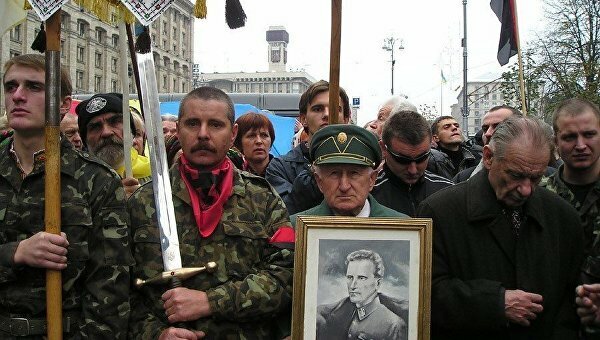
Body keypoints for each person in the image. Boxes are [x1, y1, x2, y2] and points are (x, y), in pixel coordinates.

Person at [128, 86, 294, 339]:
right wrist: (155, 334)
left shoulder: (263, 199)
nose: (203, 134)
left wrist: (211, 301)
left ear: (232, 133)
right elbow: (119, 290)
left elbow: (287, 278)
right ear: (179, 130)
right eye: (193, 124)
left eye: (215, 125)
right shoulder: (143, 202)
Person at [0, 54, 133, 338]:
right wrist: (15, 253)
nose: (18, 96)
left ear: (63, 103)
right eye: (11, 87)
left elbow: (109, 292)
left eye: (34, 87)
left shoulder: (97, 180)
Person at [418, 116, 584, 339]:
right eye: (516, 175)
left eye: (536, 178)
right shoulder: (439, 212)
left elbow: (571, 300)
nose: (526, 190)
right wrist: (493, 303)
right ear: (488, 157)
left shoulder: (563, 216)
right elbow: (425, 294)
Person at [290, 124, 406, 225]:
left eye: (354, 173)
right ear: (319, 181)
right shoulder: (295, 229)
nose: (344, 186)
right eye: (334, 174)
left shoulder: (403, 228)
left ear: (372, 179)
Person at [266, 80, 351, 214]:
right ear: (303, 119)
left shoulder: (361, 165)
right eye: (318, 109)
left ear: (346, 119)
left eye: (335, 109)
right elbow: (285, 214)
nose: (327, 114)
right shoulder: (281, 167)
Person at [372, 110, 453, 216]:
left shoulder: (448, 192)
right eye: (402, 160)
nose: (413, 170)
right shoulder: (367, 194)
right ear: (383, 149)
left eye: (421, 158)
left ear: (431, 146)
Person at [316, 250, 407, 340]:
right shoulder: (336, 314)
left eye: (361, 278)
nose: (352, 285)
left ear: (378, 283)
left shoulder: (394, 325)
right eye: (350, 277)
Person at [76, 93, 151, 197]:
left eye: (115, 122)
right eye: (95, 127)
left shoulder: (157, 178)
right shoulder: (75, 183)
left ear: (131, 131)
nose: (106, 132)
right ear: (85, 139)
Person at [453, 105, 522, 183]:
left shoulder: (535, 175)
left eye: (499, 127)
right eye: (485, 129)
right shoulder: (462, 179)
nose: (488, 133)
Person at [233, 112, 275, 177]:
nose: (259, 141)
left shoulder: (285, 173)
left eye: (264, 135)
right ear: (239, 142)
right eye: (251, 136)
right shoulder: (230, 175)